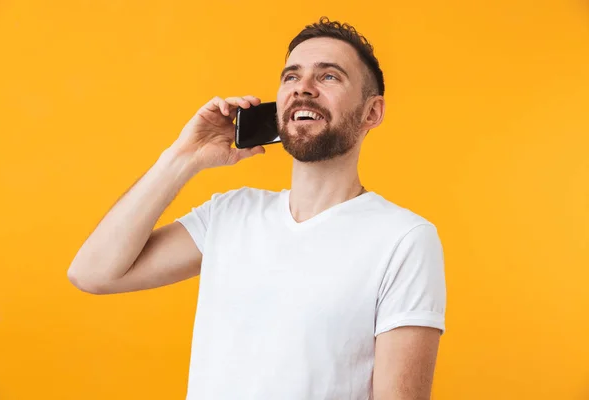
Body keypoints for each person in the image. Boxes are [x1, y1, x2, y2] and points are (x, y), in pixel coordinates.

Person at [68, 16, 447, 400]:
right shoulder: (230, 214)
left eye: (329, 77)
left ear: (372, 113)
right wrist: (183, 157)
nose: (304, 89)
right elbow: (93, 273)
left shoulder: (404, 239)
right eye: (291, 77)